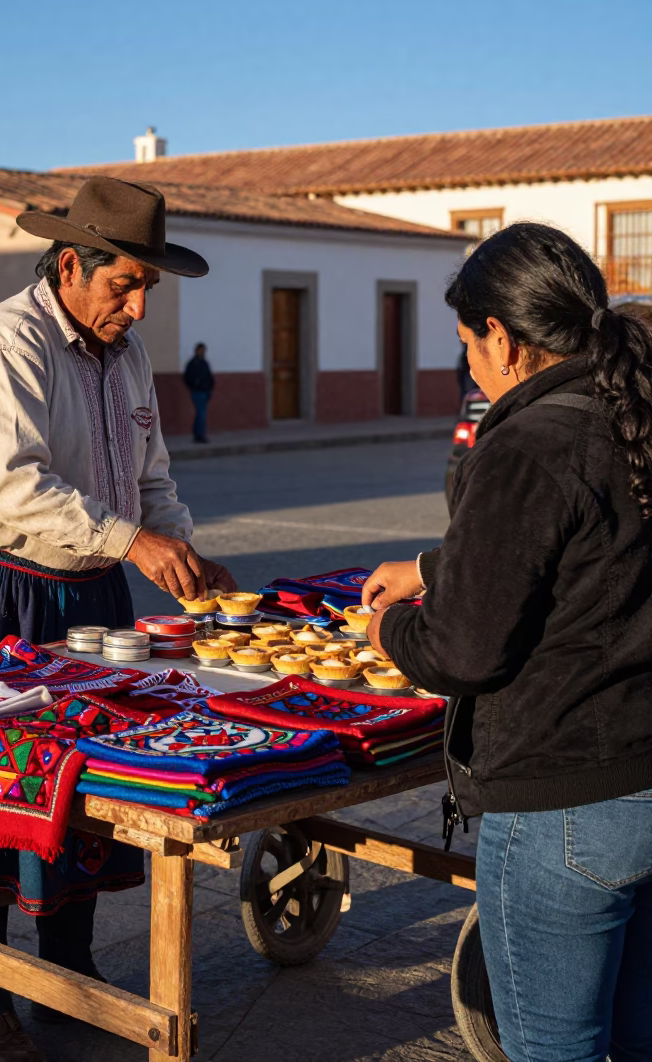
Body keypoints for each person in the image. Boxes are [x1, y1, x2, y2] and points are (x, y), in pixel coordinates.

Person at [0, 176, 236, 1062]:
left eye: (145, 290)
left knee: (85, 787)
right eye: (122, 283)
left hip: (94, 591)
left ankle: (68, 978)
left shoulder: (122, 357)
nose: (134, 306)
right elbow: (15, 485)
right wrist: (133, 541)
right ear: (67, 265)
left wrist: (181, 553)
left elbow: (151, 474)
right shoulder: (0, 349)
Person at [362, 223, 652, 1062]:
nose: (471, 366)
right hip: (641, 774)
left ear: (503, 337)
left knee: (552, 1050)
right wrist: (429, 563)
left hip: (562, 807)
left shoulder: (526, 441)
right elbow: (589, 546)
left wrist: (390, 629)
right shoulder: (628, 411)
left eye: (468, 344)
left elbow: (464, 651)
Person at [183, 341, 214, 443]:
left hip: (205, 391)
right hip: (197, 392)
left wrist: (210, 387)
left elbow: (209, 377)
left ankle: (197, 434)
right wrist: (194, 385)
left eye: (204, 350)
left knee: (200, 414)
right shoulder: (193, 364)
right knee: (201, 414)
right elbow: (187, 378)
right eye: (201, 350)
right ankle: (200, 435)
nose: (203, 352)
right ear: (197, 351)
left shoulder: (204, 363)